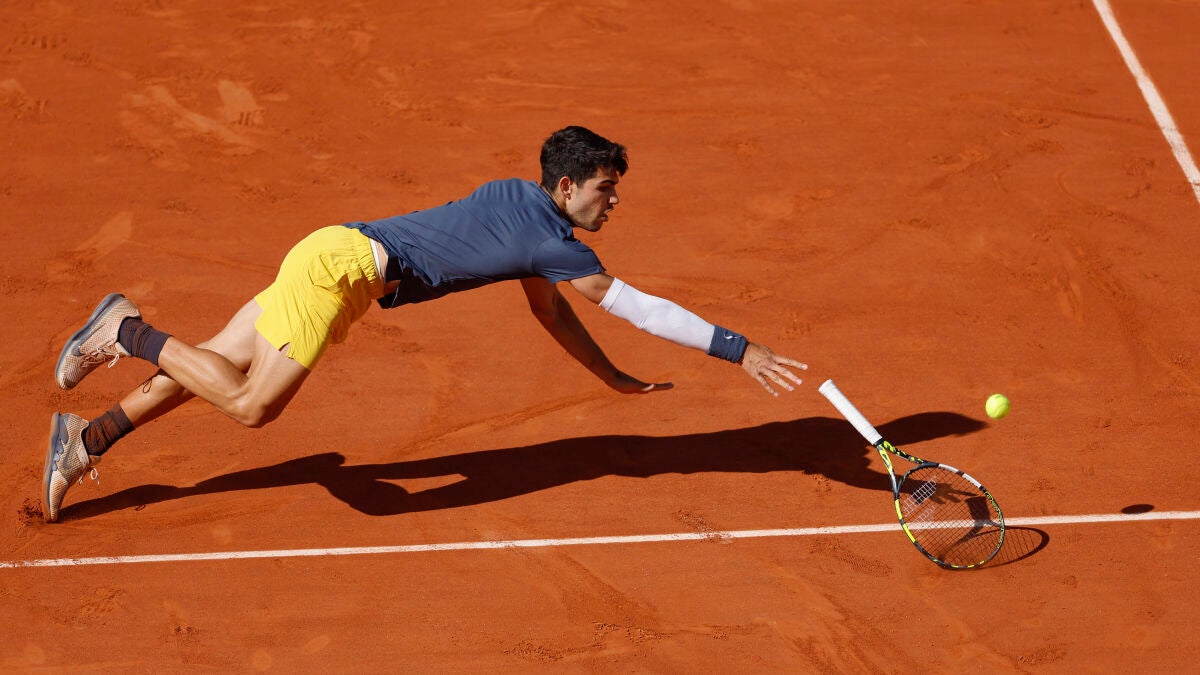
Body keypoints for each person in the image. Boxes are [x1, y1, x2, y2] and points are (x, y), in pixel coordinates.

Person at [43, 126, 807, 522]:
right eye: (605, 190)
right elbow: (638, 307)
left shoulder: (522, 205)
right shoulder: (553, 243)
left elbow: (549, 313)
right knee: (249, 404)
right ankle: (125, 328)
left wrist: (609, 376)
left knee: (205, 365)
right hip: (341, 270)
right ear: (568, 185)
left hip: (336, 259)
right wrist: (738, 349)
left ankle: (86, 439)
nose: (614, 202)